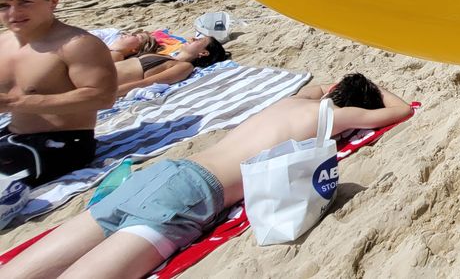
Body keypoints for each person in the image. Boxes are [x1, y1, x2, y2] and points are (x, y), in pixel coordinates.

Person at [0, 73, 412, 279]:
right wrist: (373, 87)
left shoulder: (293, 101)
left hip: (157, 176)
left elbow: (316, 86)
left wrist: (341, 82)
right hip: (193, 194)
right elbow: (400, 111)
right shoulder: (333, 116)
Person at [0, 0, 116, 187]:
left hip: (64, 143)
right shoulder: (3, 43)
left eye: (26, 1)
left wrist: (15, 102)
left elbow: (103, 97)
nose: (13, 13)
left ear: (53, 1)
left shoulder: (77, 44)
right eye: (4, 5)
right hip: (11, 135)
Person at [113, 36, 230, 97]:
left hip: (106, 82)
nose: (192, 38)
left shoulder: (184, 67)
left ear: (203, 53)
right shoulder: (166, 56)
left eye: (199, 40)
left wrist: (111, 93)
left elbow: (147, 83)